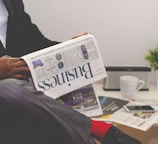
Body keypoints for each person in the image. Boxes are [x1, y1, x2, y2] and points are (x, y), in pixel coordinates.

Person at [0, 0, 142, 144]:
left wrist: (71, 48)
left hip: (27, 100)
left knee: (61, 129)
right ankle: (105, 132)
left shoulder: (13, 3)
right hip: (9, 96)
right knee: (9, 88)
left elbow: (36, 43)